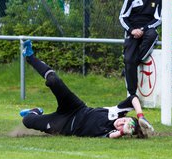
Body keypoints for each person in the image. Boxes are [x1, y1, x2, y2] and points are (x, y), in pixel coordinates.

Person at [19, 40, 151, 139]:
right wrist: (140, 115)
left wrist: (123, 132)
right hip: (75, 108)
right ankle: (30, 56)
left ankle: (35, 111)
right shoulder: (116, 112)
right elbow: (133, 98)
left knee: (27, 121)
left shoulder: (109, 131)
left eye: (124, 126)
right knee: (54, 80)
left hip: (64, 126)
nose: (121, 123)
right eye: (125, 121)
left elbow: (114, 136)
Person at [119, 0, 161, 132]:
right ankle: (132, 96)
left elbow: (158, 19)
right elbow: (123, 17)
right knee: (129, 60)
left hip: (147, 31)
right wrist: (132, 30)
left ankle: (130, 65)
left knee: (152, 35)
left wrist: (143, 29)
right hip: (132, 32)